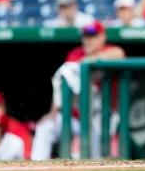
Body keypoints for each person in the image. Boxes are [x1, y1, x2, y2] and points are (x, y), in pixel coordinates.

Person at [31, 21, 125, 160]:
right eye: (85, 36)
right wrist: (53, 112)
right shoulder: (75, 54)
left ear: (102, 37)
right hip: (74, 117)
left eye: (92, 36)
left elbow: (119, 54)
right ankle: (35, 166)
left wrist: (89, 60)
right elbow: (63, 83)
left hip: (100, 118)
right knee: (45, 127)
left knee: (96, 158)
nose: (88, 40)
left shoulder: (110, 50)